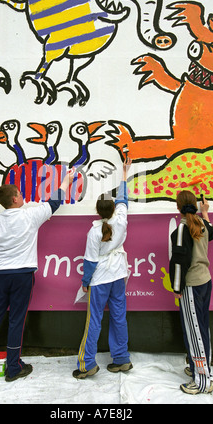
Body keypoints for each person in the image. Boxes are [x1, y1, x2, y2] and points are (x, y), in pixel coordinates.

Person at [0, 170, 74, 381]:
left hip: (1, 274)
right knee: (17, 319)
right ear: (15, 199)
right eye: (20, 193)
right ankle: (14, 367)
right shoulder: (29, 216)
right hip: (23, 275)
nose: (23, 196)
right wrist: (67, 180)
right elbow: (54, 202)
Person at [73, 157, 132, 379]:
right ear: (114, 207)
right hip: (119, 274)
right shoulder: (122, 218)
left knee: (94, 321)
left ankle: (87, 364)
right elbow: (124, 198)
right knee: (119, 316)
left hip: (99, 279)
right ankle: (122, 359)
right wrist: (125, 173)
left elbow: (89, 261)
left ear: (98, 211)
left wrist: (85, 282)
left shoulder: (94, 232)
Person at [169, 190, 213, 395]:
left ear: (178, 207)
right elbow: (212, 232)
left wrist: (177, 288)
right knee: (202, 328)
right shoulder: (201, 224)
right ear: (195, 206)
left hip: (192, 285)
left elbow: (179, 261)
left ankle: (203, 380)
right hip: (205, 281)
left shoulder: (182, 229)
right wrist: (205, 213)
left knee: (194, 331)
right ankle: (201, 368)